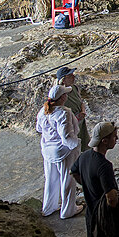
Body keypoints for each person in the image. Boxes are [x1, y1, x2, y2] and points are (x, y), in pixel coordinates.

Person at [70, 121, 119, 237]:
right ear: (104, 141)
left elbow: (74, 172)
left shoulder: (84, 156)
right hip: (105, 216)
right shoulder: (104, 165)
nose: (117, 138)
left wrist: (87, 185)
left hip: (91, 214)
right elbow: (111, 198)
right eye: (114, 137)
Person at [36, 84, 83, 219]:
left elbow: (39, 129)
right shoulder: (64, 112)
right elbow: (67, 136)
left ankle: (49, 207)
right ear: (63, 97)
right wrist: (76, 145)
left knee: (51, 179)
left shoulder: (43, 111)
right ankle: (68, 210)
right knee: (68, 179)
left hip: (47, 150)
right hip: (63, 151)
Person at [57, 66, 89, 151]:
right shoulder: (59, 94)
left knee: (84, 144)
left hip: (80, 121)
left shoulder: (74, 88)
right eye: (70, 76)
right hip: (71, 125)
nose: (73, 77)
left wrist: (82, 111)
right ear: (63, 80)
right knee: (73, 148)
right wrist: (76, 117)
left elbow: (80, 101)